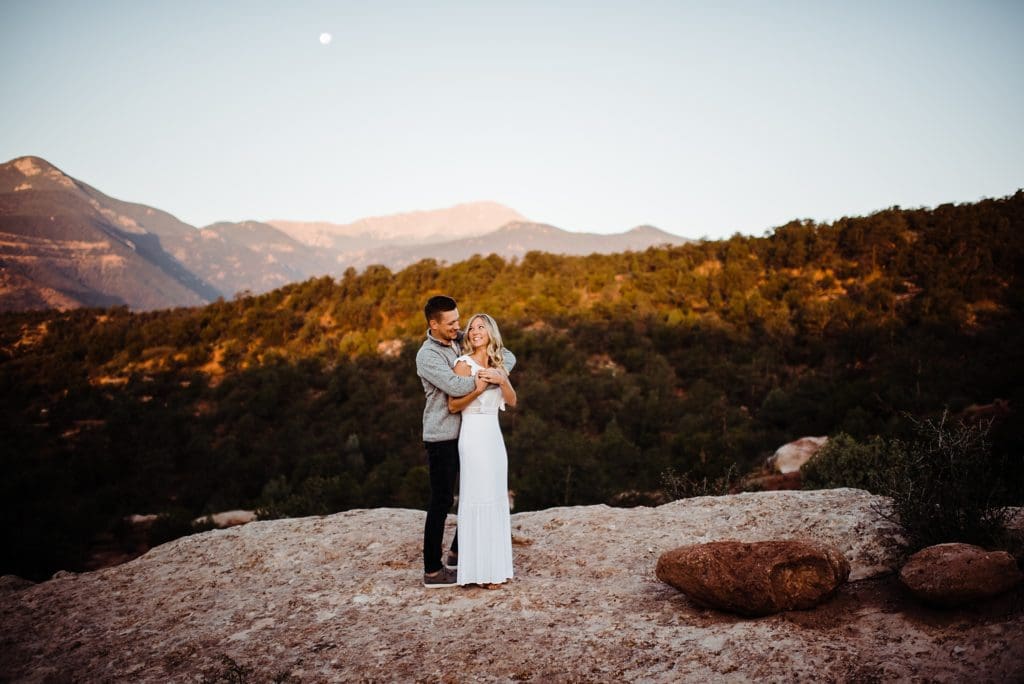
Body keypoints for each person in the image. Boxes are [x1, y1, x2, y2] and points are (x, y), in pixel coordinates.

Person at [416, 296, 515, 588]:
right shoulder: (427, 356)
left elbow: (505, 354)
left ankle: (461, 553)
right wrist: (486, 378)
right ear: (433, 324)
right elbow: (457, 387)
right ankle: (433, 571)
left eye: (459, 321)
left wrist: (500, 373)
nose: (459, 328)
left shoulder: (459, 338)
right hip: (442, 435)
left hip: (472, 433)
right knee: (442, 499)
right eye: (451, 323)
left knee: (476, 490)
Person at [447, 313, 517, 587]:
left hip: (493, 437)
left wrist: (501, 380)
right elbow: (453, 406)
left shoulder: (499, 364)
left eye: (481, 327)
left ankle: (494, 569)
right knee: (478, 496)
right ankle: (477, 571)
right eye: (472, 327)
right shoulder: (463, 365)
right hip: (473, 435)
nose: (475, 331)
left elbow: (512, 400)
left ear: (491, 332)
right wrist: (478, 388)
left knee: (495, 496)